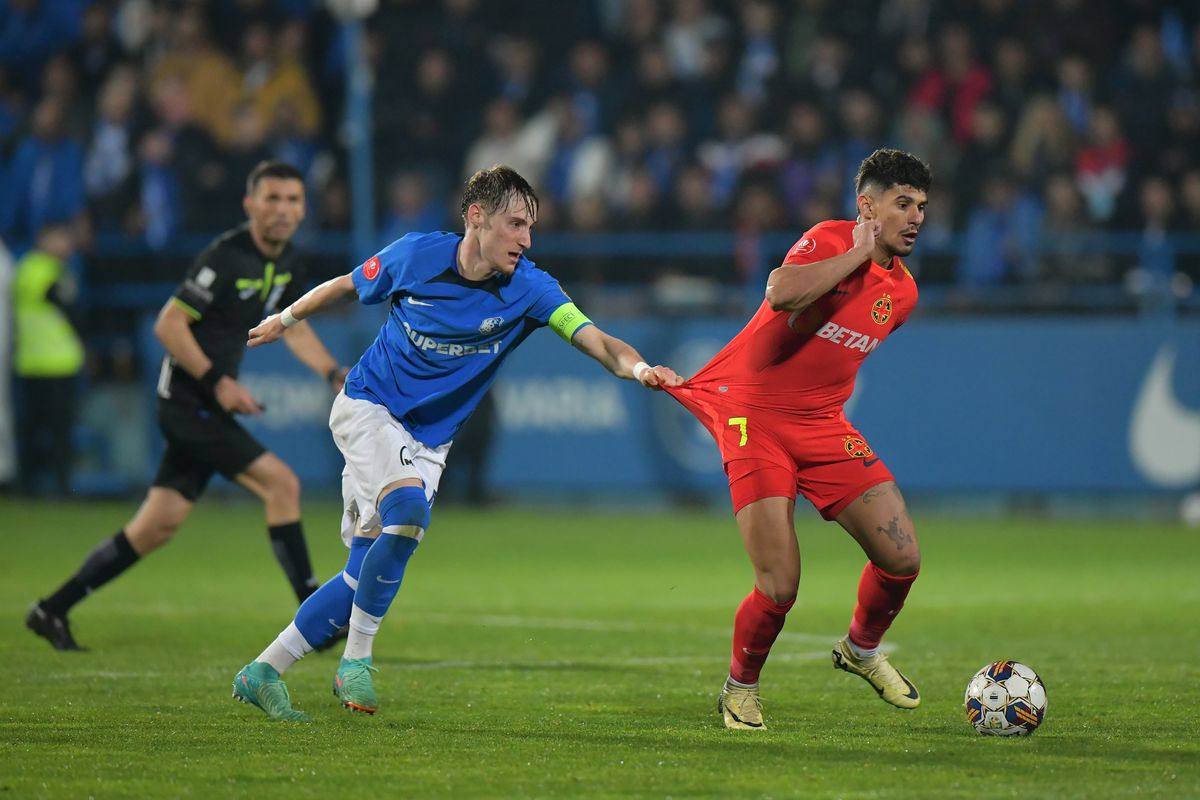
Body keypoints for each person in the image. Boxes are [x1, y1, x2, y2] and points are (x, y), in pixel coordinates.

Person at [231, 164, 681, 721]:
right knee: (408, 512)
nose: (526, 239)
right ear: (476, 217)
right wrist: (286, 317)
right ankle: (357, 660)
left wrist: (640, 370)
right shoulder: (416, 256)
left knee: (362, 573)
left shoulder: (531, 288)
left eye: (531, 227)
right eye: (515, 224)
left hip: (430, 442)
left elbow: (599, 342)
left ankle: (263, 670)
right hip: (369, 407)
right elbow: (347, 285)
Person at [26, 160, 347, 651]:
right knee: (282, 483)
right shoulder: (225, 257)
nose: (283, 209)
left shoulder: (287, 263)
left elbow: (292, 326)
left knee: (156, 527)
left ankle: (51, 609)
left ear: (304, 209)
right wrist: (218, 382)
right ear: (250, 204)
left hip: (206, 407)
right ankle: (315, 621)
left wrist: (330, 373)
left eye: (293, 200)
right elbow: (168, 324)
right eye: (272, 198)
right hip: (186, 403)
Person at [664, 148, 931, 730]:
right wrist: (858, 253)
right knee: (780, 583)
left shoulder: (904, 294)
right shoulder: (829, 238)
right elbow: (781, 293)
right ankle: (740, 689)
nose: (916, 217)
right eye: (902, 203)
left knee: (902, 557)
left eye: (921, 207)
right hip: (753, 418)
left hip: (821, 423)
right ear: (867, 207)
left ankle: (860, 649)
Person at [11, 223, 84, 496]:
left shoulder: (49, 269)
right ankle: (41, 485)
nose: (66, 245)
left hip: (48, 360)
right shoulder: (37, 269)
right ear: (43, 240)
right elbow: (63, 303)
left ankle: (52, 485)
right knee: (45, 428)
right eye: (59, 239)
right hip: (49, 361)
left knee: (47, 427)